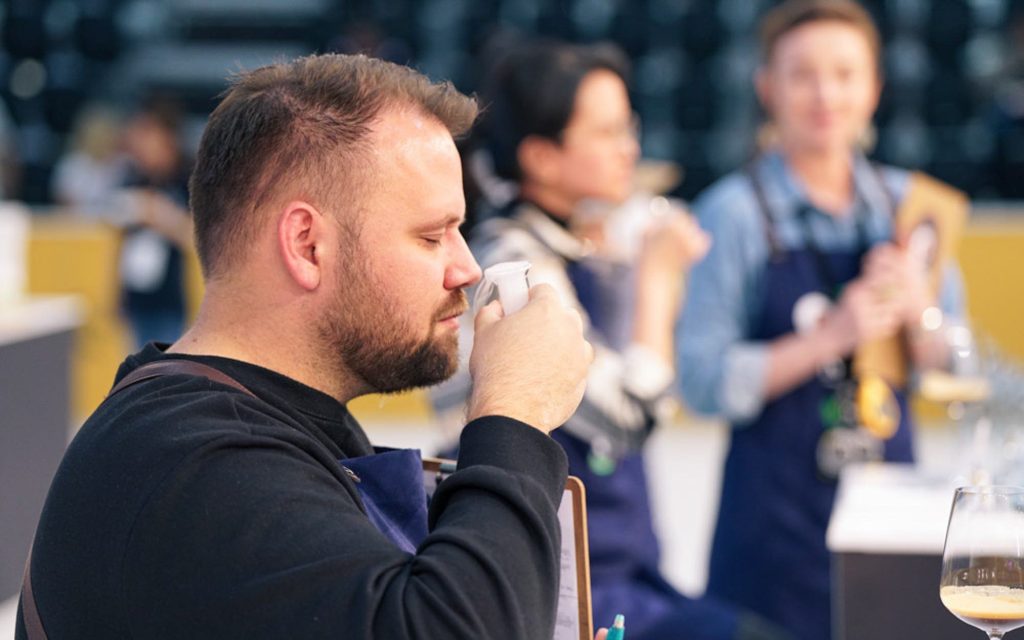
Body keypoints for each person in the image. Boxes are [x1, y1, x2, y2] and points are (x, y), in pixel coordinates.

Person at [17, 53, 595, 640]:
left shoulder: (233, 431)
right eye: (431, 236)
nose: (467, 269)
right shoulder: (196, 465)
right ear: (307, 245)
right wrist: (512, 411)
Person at [431, 40, 790, 640]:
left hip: (618, 567)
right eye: (607, 132)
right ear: (542, 157)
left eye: (630, 127)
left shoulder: (573, 245)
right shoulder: (512, 266)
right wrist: (657, 277)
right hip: (565, 588)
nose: (631, 149)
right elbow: (633, 416)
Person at [678, 2, 966, 639]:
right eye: (802, 74)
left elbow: (957, 369)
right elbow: (700, 382)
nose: (825, 93)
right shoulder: (732, 215)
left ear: (875, 89)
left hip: (894, 522)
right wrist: (831, 337)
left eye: (844, 73)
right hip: (770, 536)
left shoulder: (913, 210)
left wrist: (919, 308)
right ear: (766, 89)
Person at [117, 97, 194, 347]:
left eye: (148, 133)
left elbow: (195, 234)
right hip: (136, 298)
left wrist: (160, 215)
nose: (141, 143)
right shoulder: (133, 177)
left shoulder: (187, 179)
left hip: (170, 299)